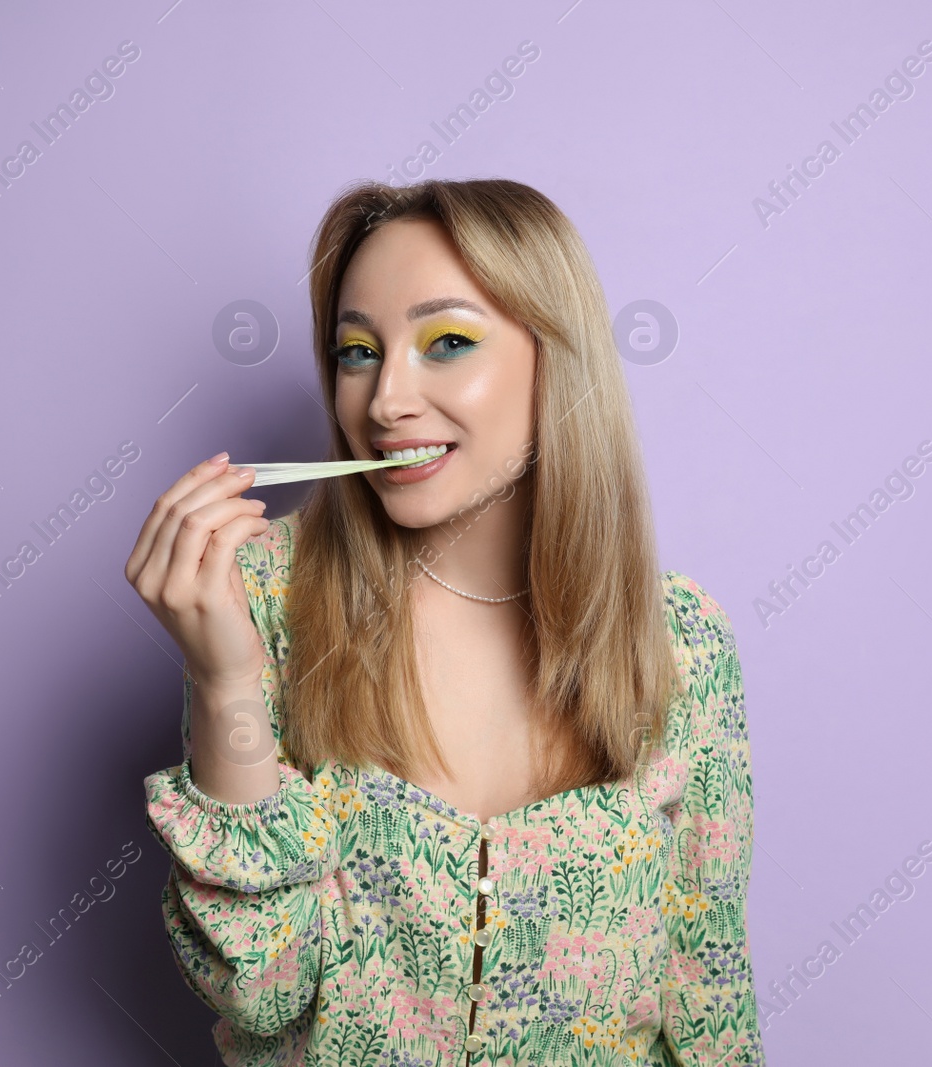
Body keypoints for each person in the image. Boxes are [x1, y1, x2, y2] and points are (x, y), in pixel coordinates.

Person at [126, 178, 763, 1065]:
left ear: (555, 358)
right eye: (357, 352)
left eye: (447, 342)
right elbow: (257, 986)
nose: (385, 400)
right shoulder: (260, 598)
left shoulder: (682, 639)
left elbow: (709, 994)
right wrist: (225, 677)